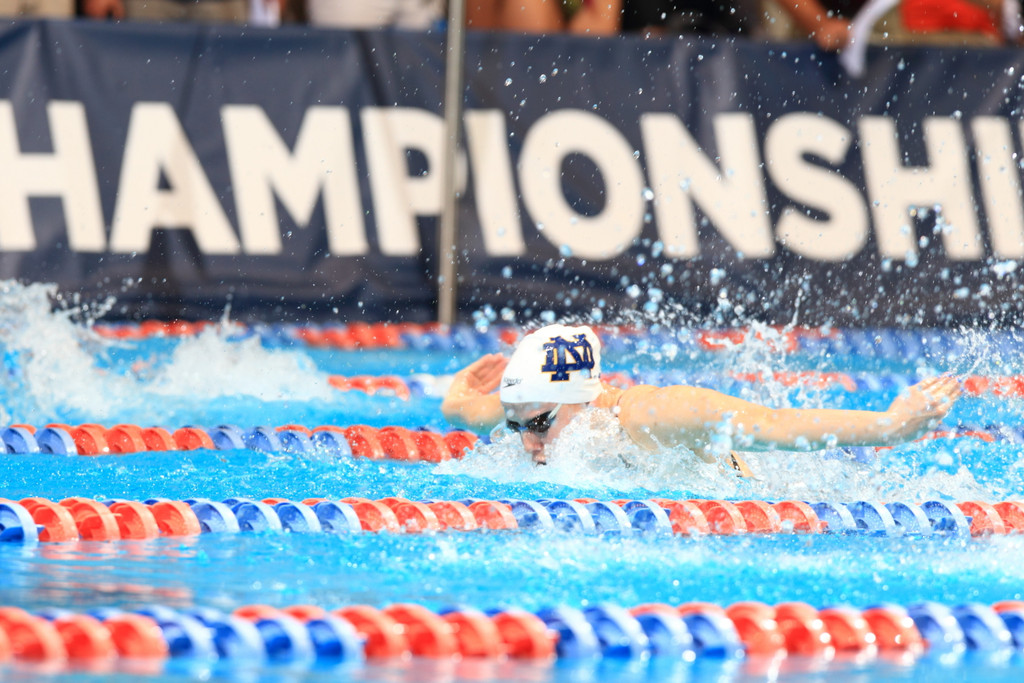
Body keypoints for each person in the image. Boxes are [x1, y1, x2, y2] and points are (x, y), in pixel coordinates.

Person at [441, 323, 962, 475]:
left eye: (537, 425)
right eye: (516, 426)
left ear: (580, 399)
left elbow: (776, 425)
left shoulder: (654, 416)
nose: (526, 442)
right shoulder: (534, 411)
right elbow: (467, 409)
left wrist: (891, 426)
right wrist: (457, 397)